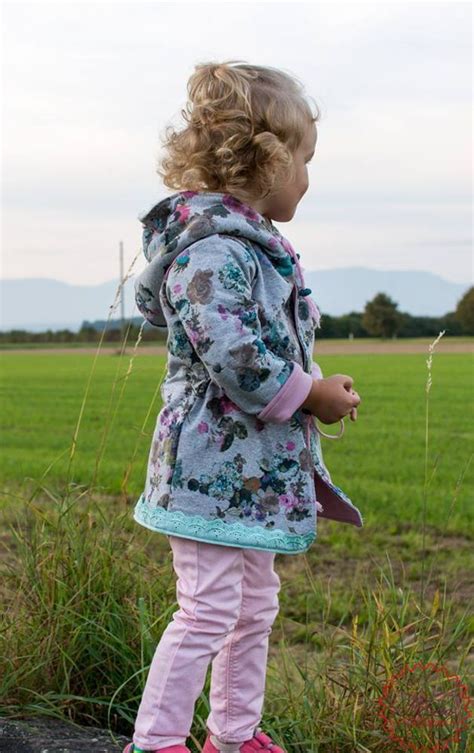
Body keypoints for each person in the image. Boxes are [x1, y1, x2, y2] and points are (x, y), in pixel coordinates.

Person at [124, 60, 363, 753]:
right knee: (206, 609)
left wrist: (315, 381)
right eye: (306, 160)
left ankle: (235, 733)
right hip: (206, 472)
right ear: (269, 159)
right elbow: (236, 355)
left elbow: (268, 341)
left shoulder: (254, 249)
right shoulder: (213, 251)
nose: (309, 179)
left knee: (254, 605)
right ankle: (158, 739)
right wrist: (312, 394)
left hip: (247, 477)